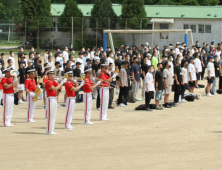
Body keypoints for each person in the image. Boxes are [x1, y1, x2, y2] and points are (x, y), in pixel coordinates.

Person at [45, 69, 66, 135]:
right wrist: (62, 83)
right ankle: (48, 130)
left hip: (54, 98)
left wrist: (59, 82)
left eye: (54, 74)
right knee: (50, 115)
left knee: (53, 115)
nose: (53, 75)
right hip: (50, 98)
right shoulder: (48, 82)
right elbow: (55, 89)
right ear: (48, 75)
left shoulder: (53, 81)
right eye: (52, 74)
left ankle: (52, 129)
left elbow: (60, 88)